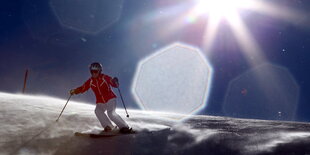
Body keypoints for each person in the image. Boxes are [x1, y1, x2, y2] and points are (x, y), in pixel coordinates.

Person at [70, 62, 131, 133]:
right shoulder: (90, 81)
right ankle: (109, 127)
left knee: (111, 113)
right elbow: (83, 87)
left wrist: (115, 82)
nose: (94, 73)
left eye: (95, 71)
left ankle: (124, 127)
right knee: (98, 111)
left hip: (110, 99)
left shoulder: (105, 77)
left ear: (99, 71)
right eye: (92, 71)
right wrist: (75, 91)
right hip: (100, 102)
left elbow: (113, 83)